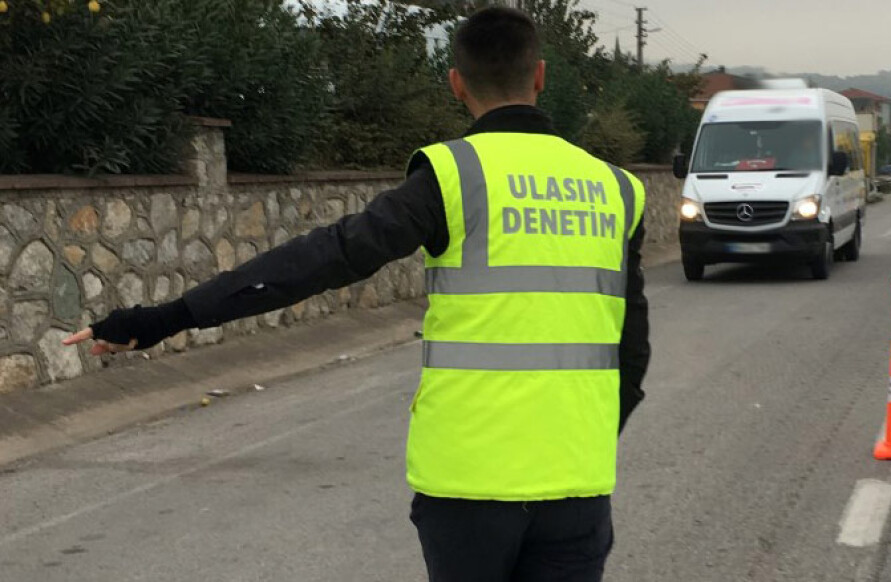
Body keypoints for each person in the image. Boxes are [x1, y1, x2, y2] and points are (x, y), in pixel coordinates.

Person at [63, 7, 650, 582]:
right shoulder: (616, 190)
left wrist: (166, 317)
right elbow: (633, 351)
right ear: (541, 76)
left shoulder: (453, 176)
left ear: (455, 83)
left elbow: (321, 260)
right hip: (577, 482)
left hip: (468, 484)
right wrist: (587, 438)